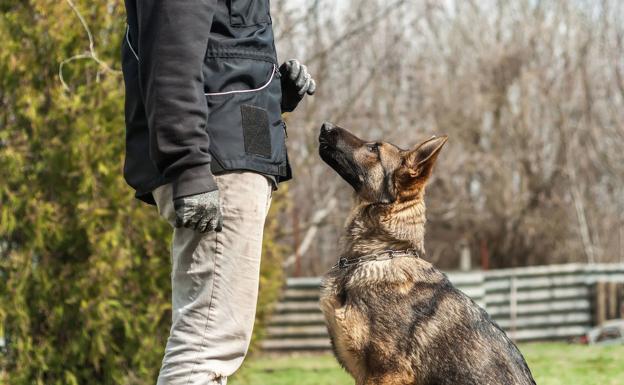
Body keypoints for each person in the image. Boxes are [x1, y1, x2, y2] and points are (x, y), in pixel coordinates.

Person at [120, 1, 315, 384]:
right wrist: (189, 166)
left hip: (232, 152)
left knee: (213, 343)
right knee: (206, 345)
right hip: (212, 162)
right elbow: (171, 54)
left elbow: (223, 51)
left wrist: (273, 93)